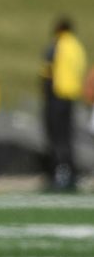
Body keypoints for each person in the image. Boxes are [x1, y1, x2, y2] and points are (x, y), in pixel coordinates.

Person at [41, 17, 87, 191]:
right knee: (67, 138)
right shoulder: (77, 47)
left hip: (56, 96)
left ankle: (59, 173)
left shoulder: (58, 45)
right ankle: (70, 172)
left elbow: (47, 71)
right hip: (71, 96)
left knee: (57, 138)